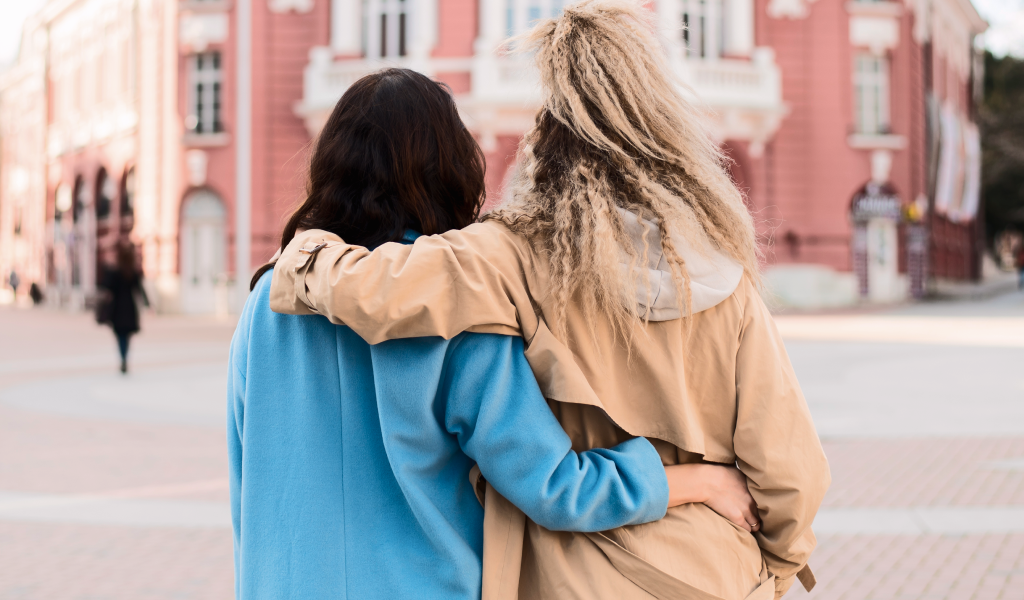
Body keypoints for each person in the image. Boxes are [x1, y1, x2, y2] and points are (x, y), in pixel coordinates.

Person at [270, 2, 831, 598]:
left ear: (546, 142)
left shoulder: (512, 255)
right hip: (716, 568)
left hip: (578, 577)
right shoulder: (726, 277)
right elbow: (789, 466)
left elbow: (376, 292)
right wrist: (774, 567)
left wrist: (306, 253)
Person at [99, 240, 149, 373]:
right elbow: (140, 290)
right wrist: (147, 303)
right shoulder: (132, 271)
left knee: (120, 335)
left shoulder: (115, 271)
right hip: (129, 307)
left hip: (117, 308)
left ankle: (122, 358)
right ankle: (125, 358)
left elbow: (105, 287)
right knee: (126, 336)